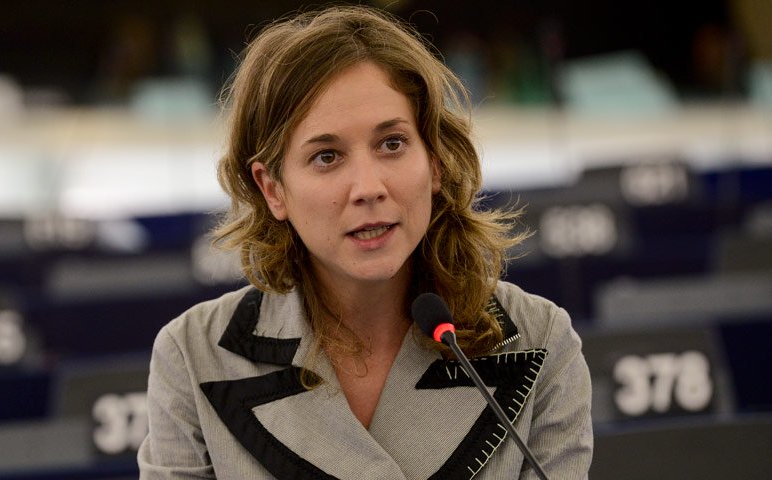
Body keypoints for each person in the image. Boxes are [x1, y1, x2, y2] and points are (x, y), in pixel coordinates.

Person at [137, 5, 592, 479]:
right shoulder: (193, 355)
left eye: (392, 144)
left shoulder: (542, 341)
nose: (368, 187)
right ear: (273, 190)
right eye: (327, 156)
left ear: (435, 161)